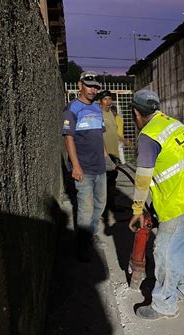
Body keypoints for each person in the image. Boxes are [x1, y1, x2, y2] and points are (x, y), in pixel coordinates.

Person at [128, 89, 184, 320]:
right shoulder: (174, 124)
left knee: (165, 250)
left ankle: (164, 304)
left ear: (136, 113)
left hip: (178, 199)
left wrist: (137, 209)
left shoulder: (149, 136)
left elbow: (143, 177)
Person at [61, 71, 106, 261]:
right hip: (84, 169)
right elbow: (68, 138)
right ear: (80, 85)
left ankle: (90, 235)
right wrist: (76, 166)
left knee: (100, 205)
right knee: (85, 210)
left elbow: (99, 135)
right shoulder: (72, 109)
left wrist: (106, 157)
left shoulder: (97, 108)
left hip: (100, 168)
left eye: (96, 86)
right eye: (89, 85)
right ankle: (83, 248)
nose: (93, 89)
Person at [98, 90, 119, 217]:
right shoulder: (98, 114)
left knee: (112, 182)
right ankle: (103, 210)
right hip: (104, 155)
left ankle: (112, 205)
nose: (108, 102)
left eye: (110, 99)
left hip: (114, 154)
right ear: (100, 101)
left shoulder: (110, 112)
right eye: (105, 99)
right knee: (103, 183)